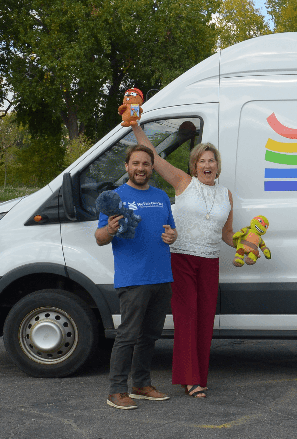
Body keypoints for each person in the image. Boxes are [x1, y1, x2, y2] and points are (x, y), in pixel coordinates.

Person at [131, 122, 234, 399]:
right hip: (183, 259)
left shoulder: (226, 195)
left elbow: (227, 234)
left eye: (212, 160)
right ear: (194, 166)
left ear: (217, 166)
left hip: (210, 262)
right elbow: (154, 156)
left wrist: (248, 245)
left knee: (205, 321)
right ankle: (190, 380)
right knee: (187, 319)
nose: (207, 164)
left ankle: (200, 376)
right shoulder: (184, 183)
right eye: (202, 160)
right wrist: (136, 127)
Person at [96, 144, 178, 410]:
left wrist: (171, 237)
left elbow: (171, 231)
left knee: (150, 335)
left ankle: (141, 385)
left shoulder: (162, 197)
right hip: (133, 279)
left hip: (161, 277)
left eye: (145, 164)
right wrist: (108, 229)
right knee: (128, 336)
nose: (141, 168)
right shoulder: (115, 197)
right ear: (126, 167)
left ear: (152, 167)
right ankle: (116, 391)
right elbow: (99, 239)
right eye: (136, 163)